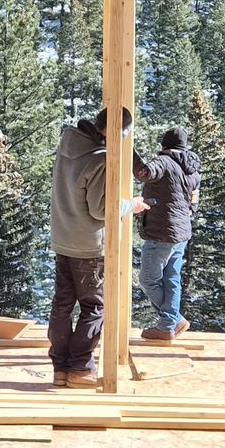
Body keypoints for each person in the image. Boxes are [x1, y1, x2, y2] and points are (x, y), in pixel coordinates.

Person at [48, 107, 143, 388]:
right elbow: (102, 209)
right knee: (93, 306)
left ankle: (60, 369)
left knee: (62, 304)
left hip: (63, 238)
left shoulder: (69, 144)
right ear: (116, 132)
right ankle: (79, 368)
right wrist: (131, 206)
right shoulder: (100, 160)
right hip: (89, 246)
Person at [134, 126, 201, 341]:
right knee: (171, 278)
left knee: (148, 280)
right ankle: (169, 323)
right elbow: (194, 201)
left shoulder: (163, 162)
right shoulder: (192, 169)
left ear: (164, 145)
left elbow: (144, 172)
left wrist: (128, 150)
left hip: (161, 232)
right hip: (181, 232)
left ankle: (171, 321)